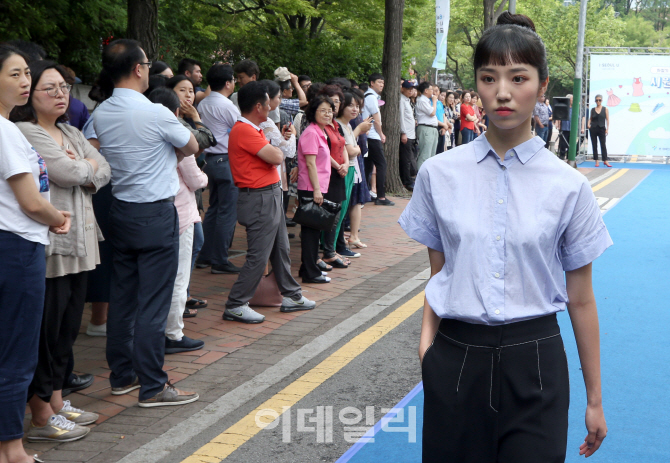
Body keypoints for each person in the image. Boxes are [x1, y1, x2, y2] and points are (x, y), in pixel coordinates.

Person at [400, 12, 610, 462]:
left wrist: (594, 399)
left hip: (536, 359)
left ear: (542, 85)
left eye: (518, 77)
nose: (503, 92)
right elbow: (439, 273)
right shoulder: (439, 174)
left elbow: (582, 297)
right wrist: (428, 348)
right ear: (476, 84)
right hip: (455, 357)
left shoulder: (568, 185)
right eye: (489, 77)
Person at [92, 39, 200, 408]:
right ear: (139, 69)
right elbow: (192, 146)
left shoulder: (102, 111)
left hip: (120, 210)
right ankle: (153, 385)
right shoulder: (155, 112)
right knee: (153, 302)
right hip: (155, 213)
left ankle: (122, 376)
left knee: (122, 298)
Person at [11, 60, 110, 442]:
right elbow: (69, 174)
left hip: (83, 241)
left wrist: (83, 166)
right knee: (48, 330)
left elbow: (105, 170)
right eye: (49, 88)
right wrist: (84, 167)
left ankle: (56, 398)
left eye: (64, 87)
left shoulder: (70, 130)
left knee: (68, 327)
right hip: (55, 245)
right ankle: (41, 410)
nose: (60, 94)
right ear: (29, 96)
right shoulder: (26, 132)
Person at [0, 45, 71, 463]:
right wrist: (53, 216)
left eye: (27, 73)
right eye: (14, 75)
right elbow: (29, 200)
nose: (25, 82)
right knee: (15, 354)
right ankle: (12, 451)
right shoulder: (7, 132)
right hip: (17, 246)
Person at [225, 81, 316, 322]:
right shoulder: (244, 130)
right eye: (268, 102)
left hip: (268, 194)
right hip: (259, 198)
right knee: (259, 254)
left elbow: (277, 153)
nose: (271, 106)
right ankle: (236, 303)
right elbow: (277, 156)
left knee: (281, 249)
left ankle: (291, 295)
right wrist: (274, 142)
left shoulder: (255, 129)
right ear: (258, 106)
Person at [147, 88, 209, 353]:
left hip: (151, 212)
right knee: (179, 276)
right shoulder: (178, 140)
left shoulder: (145, 136)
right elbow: (196, 180)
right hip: (181, 214)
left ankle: (155, 331)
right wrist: (205, 177)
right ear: (174, 113)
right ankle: (173, 333)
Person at [195, 64, 242, 274]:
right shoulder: (227, 105)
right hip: (226, 160)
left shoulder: (203, 103)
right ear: (227, 83)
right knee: (227, 212)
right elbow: (241, 130)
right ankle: (220, 260)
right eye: (233, 80)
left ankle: (204, 255)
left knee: (214, 208)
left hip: (210, 160)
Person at [297, 94, 335, 283]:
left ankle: (308, 268)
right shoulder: (312, 133)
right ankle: (310, 273)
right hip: (311, 188)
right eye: (323, 111)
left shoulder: (320, 131)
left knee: (313, 231)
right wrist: (317, 191)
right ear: (313, 112)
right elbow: (310, 164)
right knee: (310, 233)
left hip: (318, 187)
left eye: (330, 111)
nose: (328, 114)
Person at [361, 73, 393, 206]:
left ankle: (365, 193)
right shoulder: (371, 97)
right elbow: (376, 120)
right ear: (371, 83)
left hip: (368, 136)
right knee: (381, 164)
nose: (381, 85)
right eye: (379, 82)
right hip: (372, 136)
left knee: (368, 165)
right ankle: (381, 197)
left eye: (383, 83)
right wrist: (381, 134)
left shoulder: (368, 96)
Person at [347, 88, 372, 250]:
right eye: (351, 105)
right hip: (351, 165)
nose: (355, 109)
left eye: (358, 106)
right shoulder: (353, 123)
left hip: (354, 163)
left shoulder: (354, 121)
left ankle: (352, 236)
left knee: (354, 202)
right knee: (354, 201)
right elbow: (357, 146)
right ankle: (352, 236)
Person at [415, 82, 439, 170]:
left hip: (432, 128)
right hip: (426, 128)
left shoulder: (427, 101)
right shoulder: (422, 100)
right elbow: (432, 113)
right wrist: (435, 102)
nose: (433, 92)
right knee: (425, 154)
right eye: (431, 89)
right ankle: (420, 175)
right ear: (426, 90)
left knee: (432, 154)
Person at [399, 80, 417, 190]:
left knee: (409, 158)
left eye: (412, 89)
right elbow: (401, 117)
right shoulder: (401, 100)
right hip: (407, 134)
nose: (411, 91)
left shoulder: (407, 100)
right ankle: (406, 180)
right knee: (406, 159)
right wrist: (403, 132)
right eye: (408, 88)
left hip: (411, 133)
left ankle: (408, 178)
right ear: (403, 89)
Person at [588, 94, 610, 167]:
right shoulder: (593, 109)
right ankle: (596, 160)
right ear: (595, 101)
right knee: (594, 145)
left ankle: (605, 160)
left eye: (599, 100)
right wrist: (588, 124)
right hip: (593, 128)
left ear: (602, 101)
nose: (598, 101)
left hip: (601, 128)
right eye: (597, 100)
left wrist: (607, 129)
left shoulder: (605, 109)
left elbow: (607, 119)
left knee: (603, 144)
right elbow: (590, 118)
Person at [558, 94, 573, 160]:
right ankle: (562, 155)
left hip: (571, 128)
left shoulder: (574, 108)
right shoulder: (563, 107)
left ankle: (569, 155)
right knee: (563, 143)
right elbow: (559, 117)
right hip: (564, 127)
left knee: (571, 142)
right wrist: (558, 125)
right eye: (572, 99)